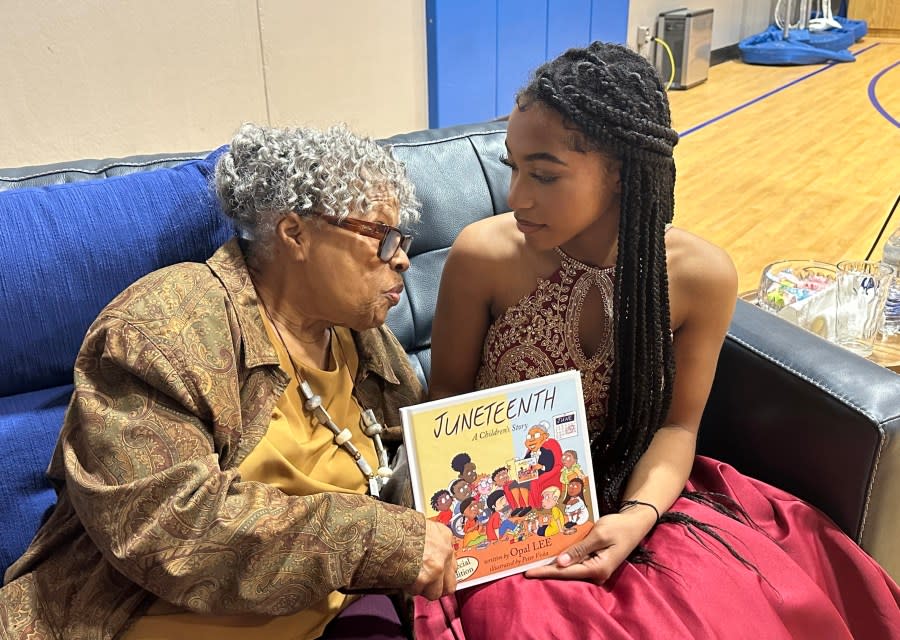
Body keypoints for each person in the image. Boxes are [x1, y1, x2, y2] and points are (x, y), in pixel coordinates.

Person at [419, 41, 900, 639]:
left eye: (543, 174)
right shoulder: (481, 254)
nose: (517, 197)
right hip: (507, 513)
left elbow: (677, 427)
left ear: (620, 169)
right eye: (511, 168)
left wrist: (636, 518)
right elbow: (443, 406)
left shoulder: (700, 276)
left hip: (640, 490)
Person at [0, 123, 457, 640]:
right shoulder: (162, 327)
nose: (401, 257)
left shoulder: (363, 339)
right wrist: (376, 542)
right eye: (381, 237)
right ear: (295, 233)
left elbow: (410, 468)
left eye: (404, 240)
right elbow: (166, 525)